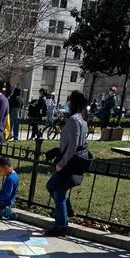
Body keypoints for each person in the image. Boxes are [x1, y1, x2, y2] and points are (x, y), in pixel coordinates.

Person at [45, 90, 89, 237]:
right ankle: (66, 211)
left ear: (73, 102)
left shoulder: (75, 120)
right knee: (51, 186)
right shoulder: (81, 119)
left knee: (59, 193)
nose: (68, 102)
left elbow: (73, 146)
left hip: (69, 163)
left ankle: (61, 226)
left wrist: (62, 163)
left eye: (69, 100)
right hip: (70, 160)